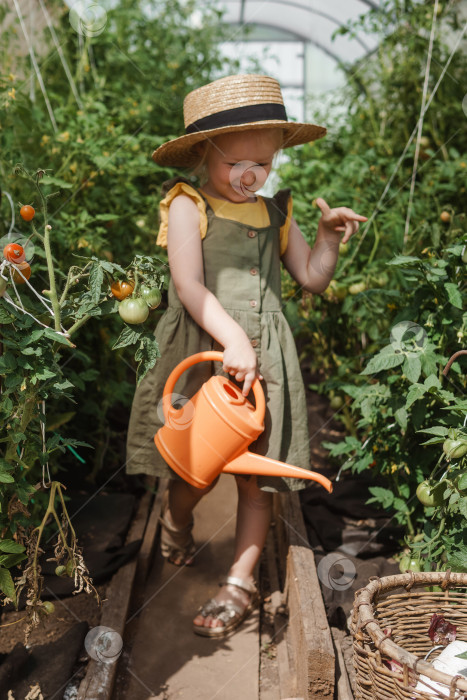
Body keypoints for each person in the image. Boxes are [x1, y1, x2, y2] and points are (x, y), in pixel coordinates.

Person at [126, 74, 367, 638]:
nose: (251, 175)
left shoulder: (276, 214)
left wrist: (328, 238)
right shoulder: (188, 207)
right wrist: (233, 339)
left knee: (258, 479)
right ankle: (175, 517)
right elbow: (188, 286)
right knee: (198, 469)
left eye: (263, 163)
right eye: (237, 162)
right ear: (203, 154)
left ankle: (240, 579)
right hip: (206, 350)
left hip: (266, 366)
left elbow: (310, 279)